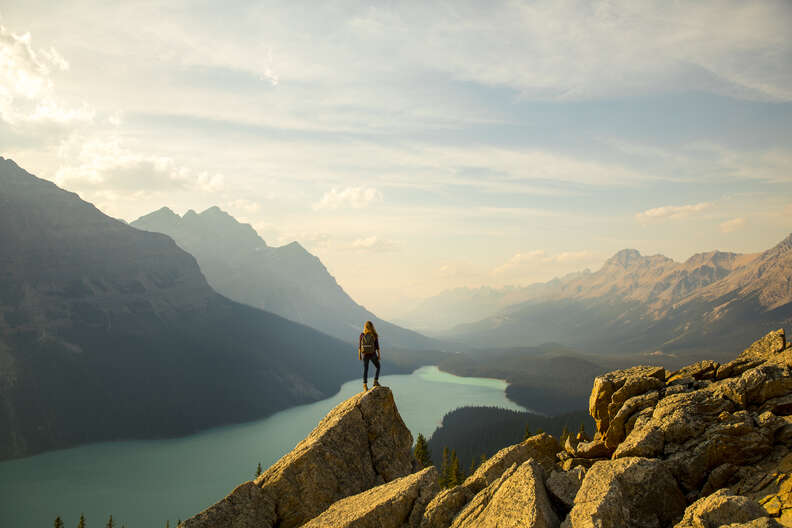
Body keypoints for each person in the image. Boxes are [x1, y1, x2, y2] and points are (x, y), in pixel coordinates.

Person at [358, 320, 381, 391]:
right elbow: (377, 346)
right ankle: (375, 381)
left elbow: (359, 346)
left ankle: (365, 385)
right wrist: (379, 355)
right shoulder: (374, 335)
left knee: (366, 369)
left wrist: (359, 355)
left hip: (365, 354)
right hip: (372, 353)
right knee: (378, 366)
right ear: (372, 327)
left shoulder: (362, 335)